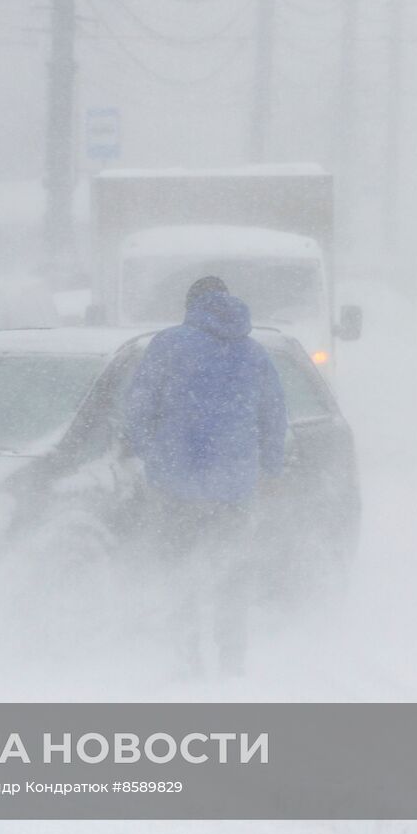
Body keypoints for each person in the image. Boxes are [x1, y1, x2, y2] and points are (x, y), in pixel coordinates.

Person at [121, 275, 287, 677]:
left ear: (191, 304)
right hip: (234, 488)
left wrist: (147, 451)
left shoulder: (169, 345)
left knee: (181, 572)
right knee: (231, 573)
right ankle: (232, 662)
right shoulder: (254, 352)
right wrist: (270, 468)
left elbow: (139, 405)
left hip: (177, 484)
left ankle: (188, 661)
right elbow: (274, 415)